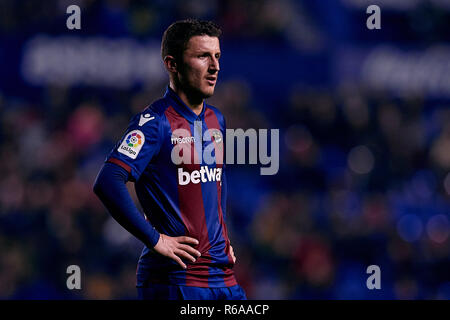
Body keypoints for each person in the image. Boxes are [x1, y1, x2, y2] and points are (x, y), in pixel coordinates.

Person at [93, 19, 247, 300]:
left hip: (223, 276)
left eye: (217, 56)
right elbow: (107, 181)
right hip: (177, 279)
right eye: (203, 56)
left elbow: (216, 179)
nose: (215, 67)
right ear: (172, 64)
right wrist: (155, 239)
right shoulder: (154, 122)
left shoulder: (216, 119)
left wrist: (221, 238)